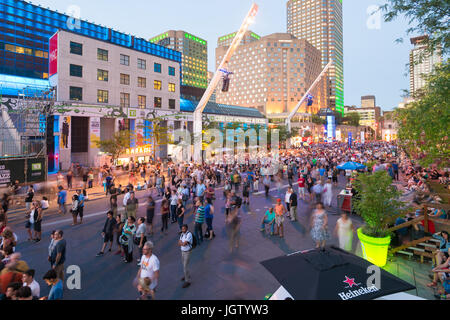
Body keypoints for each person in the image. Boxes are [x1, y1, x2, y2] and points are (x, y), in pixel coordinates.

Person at [178, 224, 193, 288]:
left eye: (184, 229)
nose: (182, 230)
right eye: (182, 229)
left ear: (186, 229)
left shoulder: (189, 234)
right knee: (184, 264)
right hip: (182, 251)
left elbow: (184, 244)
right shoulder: (182, 234)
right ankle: (186, 274)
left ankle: (187, 281)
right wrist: (182, 243)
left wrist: (182, 243)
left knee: (185, 266)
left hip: (187, 252)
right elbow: (179, 242)